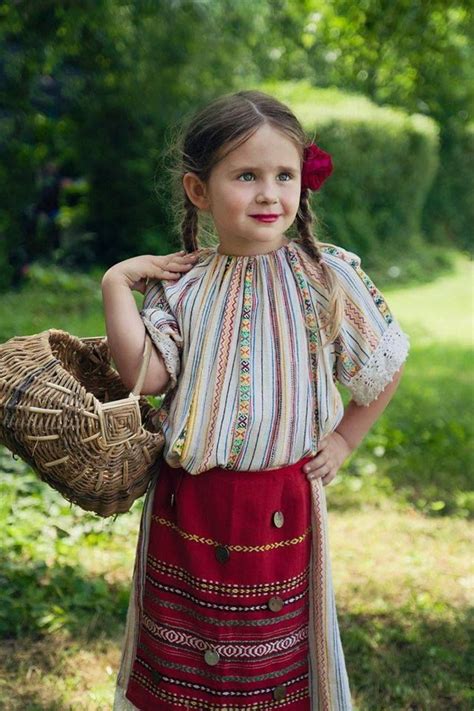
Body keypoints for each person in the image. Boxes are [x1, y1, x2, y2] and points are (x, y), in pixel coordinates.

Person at [102, 90, 410, 711]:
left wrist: (347, 436)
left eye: (284, 175)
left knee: (273, 670)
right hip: (188, 508)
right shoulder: (183, 286)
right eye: (247, 176)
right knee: (188, 662)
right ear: (199, 191)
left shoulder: (326, 276)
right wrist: (117, 282)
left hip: (280, 507)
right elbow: (147, 376)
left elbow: (385, 360)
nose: (270, 194)